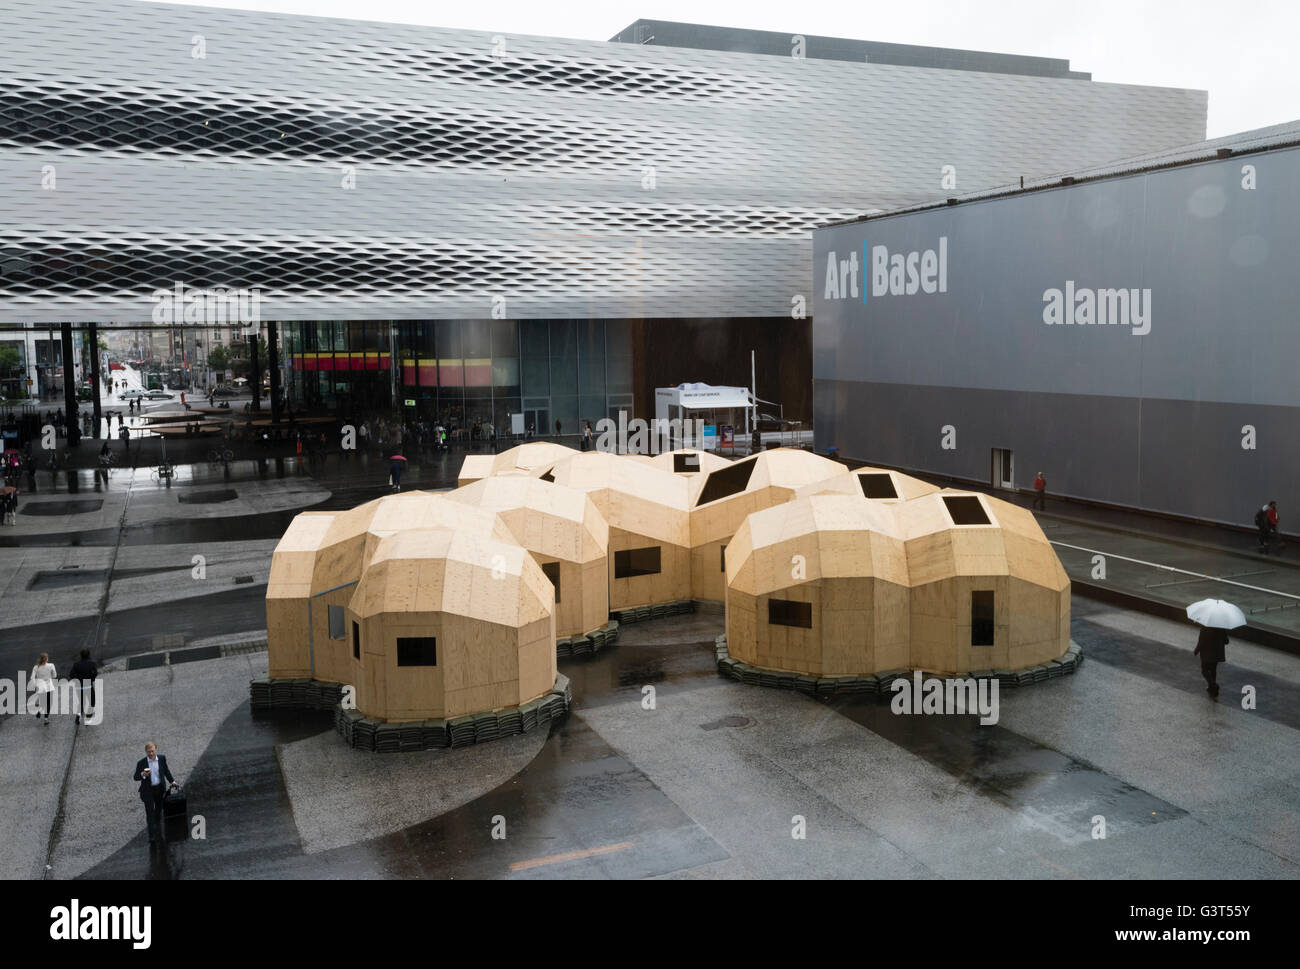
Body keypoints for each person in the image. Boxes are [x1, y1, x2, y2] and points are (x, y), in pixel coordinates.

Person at [133, 742, 178, 844]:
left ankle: (157, 827)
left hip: (159, 789)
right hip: (148, 791)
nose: (151, 753)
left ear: (156, 749)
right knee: (149, 813)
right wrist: (142, 774)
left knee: (158, 810)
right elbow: (135, 777)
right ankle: (152, 835)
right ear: (146, 752)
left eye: (152, 751)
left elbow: (166, 771)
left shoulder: (161, 759)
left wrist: (172, 781)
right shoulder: (141, 763)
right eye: (149, 752)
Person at [1193, 625, 1228, 698]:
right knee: (1213, 670)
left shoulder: (1205, 626)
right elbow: (1226, 641)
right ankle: (1211, 688)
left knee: (1204, 671)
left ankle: (1213, 685)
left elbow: (1201, 640)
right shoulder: (1221, 626)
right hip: (1217, 653)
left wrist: (1196, 650)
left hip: (1207, 652)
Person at [69, 648, 98, 724]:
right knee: (92, 701)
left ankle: (78, 717)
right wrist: (92, 679)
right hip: (88, 685)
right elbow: (95, 673)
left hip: (79, 686)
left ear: (80, 655)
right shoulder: (92, 663)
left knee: (81, 702)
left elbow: (71, 675)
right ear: (89, 655)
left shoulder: (76, 664)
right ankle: (88, 716)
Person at [31, 653, 56, 724]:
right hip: (49, 687)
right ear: (46, 659)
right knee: (49, 703)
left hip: (40, 687)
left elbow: (32, 677)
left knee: (43, 702)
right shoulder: (51, 665)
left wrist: (35, 684)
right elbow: (54, 676)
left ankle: (40, 711)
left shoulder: (36, 667)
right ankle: (46, 718)